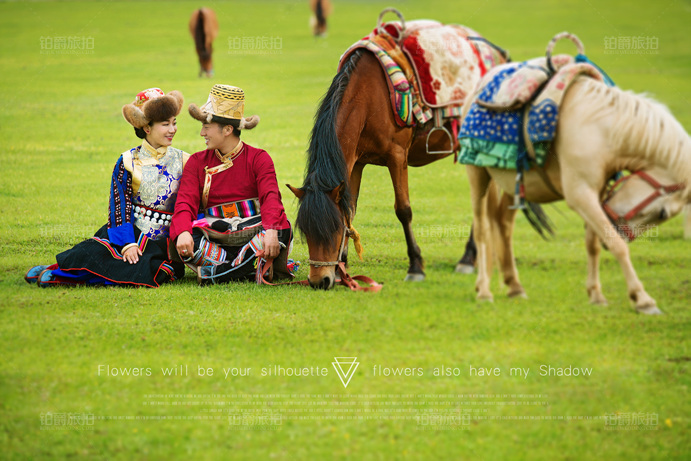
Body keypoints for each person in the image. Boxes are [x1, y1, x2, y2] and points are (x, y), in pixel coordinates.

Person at [25, 88, 190, 287]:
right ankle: (58, 271)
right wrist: (128, 243)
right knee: (103, 253)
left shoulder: (184, 160)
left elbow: (189, 204)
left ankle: (63, 276)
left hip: (163, 244)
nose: (172, 129)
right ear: (147, 127)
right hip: (130, 232)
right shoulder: (128, 161)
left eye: (174, 123)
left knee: (144, 269)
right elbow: (120, 205)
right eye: (165, 124)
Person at [169, 84, 295, 284]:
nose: (202, 133)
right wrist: (183, 232)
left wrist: (270, 230)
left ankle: (219, 272)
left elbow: (270, 198)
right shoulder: (197, 161)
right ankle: (248, 268)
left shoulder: (259, 158)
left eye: (206, 127)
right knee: (182, 233)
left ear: (227, 129)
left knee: (281, 228)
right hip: (215, 237)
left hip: (253, 233)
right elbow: (185, 202)